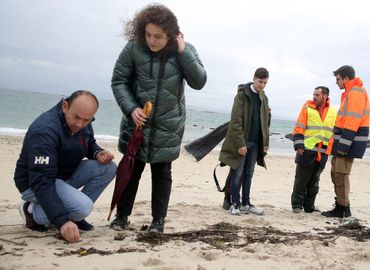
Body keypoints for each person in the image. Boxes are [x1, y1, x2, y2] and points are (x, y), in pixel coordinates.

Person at [110, 3, 207, 233]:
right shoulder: (133, 47)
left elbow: (199, 81)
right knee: (131, 171)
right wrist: (131, 108)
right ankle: (122, 217)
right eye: (148, 34)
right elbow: (119, 81)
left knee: (162, 174)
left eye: (159, 36)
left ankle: (158, 222)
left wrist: (183, 53)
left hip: (168, 125)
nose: (152, 41)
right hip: (137, 124)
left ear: (171, 35)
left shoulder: (186, 49)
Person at [14, 90, 116, 243]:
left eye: (86, 120)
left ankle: (75, 215)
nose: (79, 124)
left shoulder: (82, 123)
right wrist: (62, 221)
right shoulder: (44, 131)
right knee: (83, 207)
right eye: (76, 117)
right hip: (35, 183)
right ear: (65, 106)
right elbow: (42, 181)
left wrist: (97, 152)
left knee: (108, 168)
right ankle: (30, 211)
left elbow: (89, 143)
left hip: (63, 176)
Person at [219, 67, 270, 216]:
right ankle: (235, 204)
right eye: (260, 81)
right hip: (242, 142)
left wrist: (265, 143)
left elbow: (265, 122)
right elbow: (236, 121)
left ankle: (246, 204)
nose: (262, 85)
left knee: (249, 174)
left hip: (256, 143)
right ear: (254, 79)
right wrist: (240, 144)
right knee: (237, 173)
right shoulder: (242, 95)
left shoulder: (264, 97)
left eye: (265, 83)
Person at [322, 65, 370, 218]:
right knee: (335, 174)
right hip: (342, 142)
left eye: (338, 79)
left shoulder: (356, 92)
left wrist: (343, 145)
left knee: (341, 175)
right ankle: (340, 206)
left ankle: (343, 209)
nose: (336, 82)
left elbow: (352, 121)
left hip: (347, 143)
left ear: (346, 78)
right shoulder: (349, 92)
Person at [291, 86, 336, 213]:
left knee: (314, 183)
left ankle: (309, 206)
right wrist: (299, 146)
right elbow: (299, 128)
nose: (314, 97)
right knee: (301, 180)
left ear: (325, 96)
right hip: (306, 150)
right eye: (314, 94)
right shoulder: (307, 109)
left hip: (323, 153)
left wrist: (332, 150)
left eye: (317, 95)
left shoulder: (333, 112)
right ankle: (296, 206)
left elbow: (334, 133)